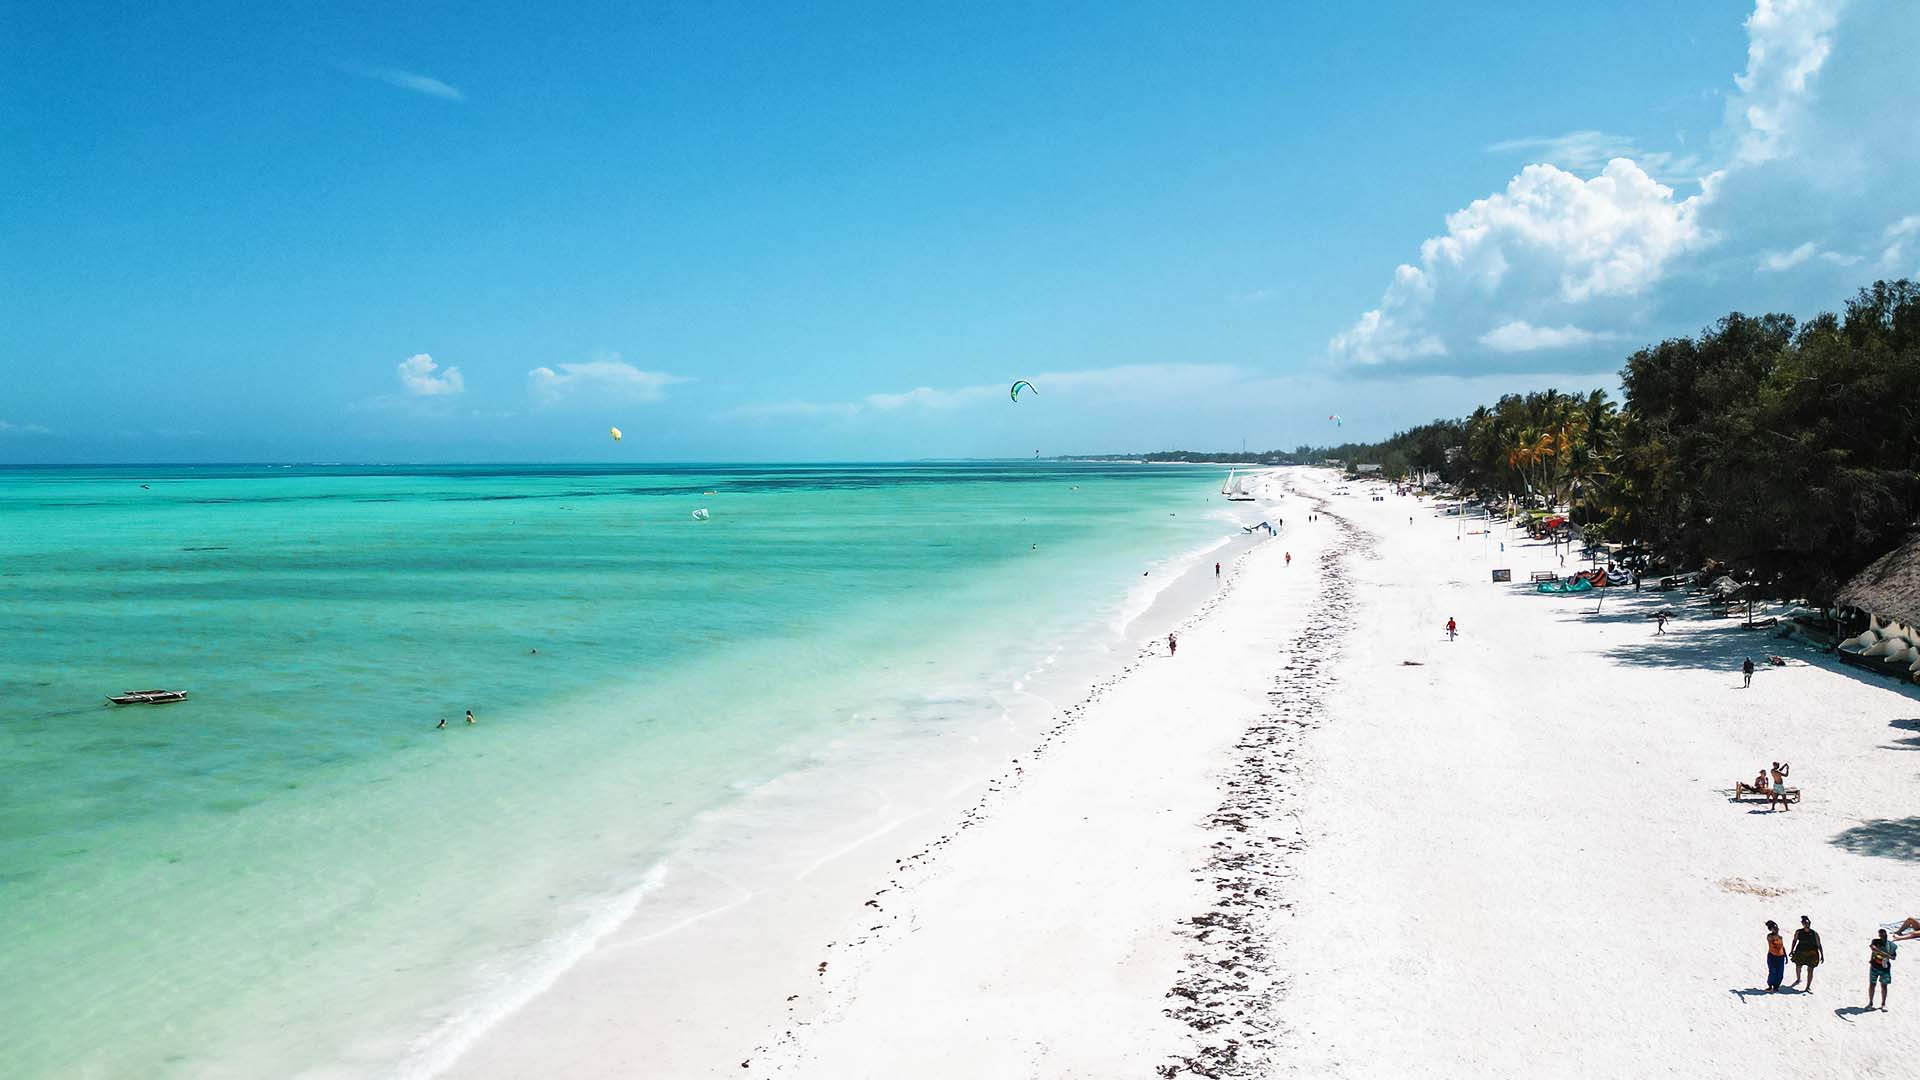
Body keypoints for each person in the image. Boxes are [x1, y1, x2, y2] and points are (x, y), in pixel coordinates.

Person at [1791, 916, 1824, 990]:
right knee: (1798, 966)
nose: (1807, 925)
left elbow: (1819, 944)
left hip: (1812, 954)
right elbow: (1794, 941)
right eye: (1805, 923)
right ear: (1802, 924)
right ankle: (1798, 979)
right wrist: (1791, 950)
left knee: (1810, 969)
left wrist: (1822, 955)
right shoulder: (1799, 932)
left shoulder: (1814, 933)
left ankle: (1808, 986)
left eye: (1808, 923)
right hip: (1800, 952)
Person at [1869, 928, 1897, 1010]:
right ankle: (1870, 1003)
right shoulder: (1875, 941)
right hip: (1874, 966)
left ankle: (1883, 1004)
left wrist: (1887, 956)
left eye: (1883, 934)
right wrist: (1884, 953)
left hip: (1885, 968)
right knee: (1872, 985)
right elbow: (1873, 947)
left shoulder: (1891, 946)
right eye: (1881, 935)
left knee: (1884, 986)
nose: (1882, 936)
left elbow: (1894, 957)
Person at [1767, 920, 1787, 992]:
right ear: (1771, 929)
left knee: (1780, 973)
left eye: (1777, 928)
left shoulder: (1780, 937)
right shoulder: (1769, 936)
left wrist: (1786, 956)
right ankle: (1770, 985)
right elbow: (1772, 940)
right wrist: (1776, 935)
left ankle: (1776, 987)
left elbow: (1782, 947)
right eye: (1774, 928)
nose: (1776, 929)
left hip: (1781, 957)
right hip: (1772, 956)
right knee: (1772, 971)